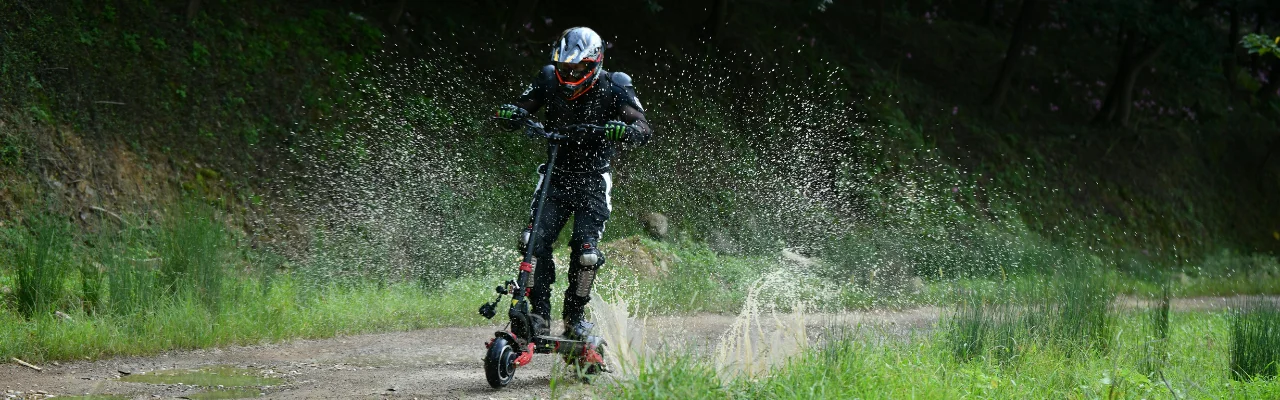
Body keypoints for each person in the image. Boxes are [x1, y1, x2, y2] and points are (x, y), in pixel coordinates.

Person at [495, 26, 652, 341]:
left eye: (577, 68)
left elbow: (643, 127)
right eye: (565, 67)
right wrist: (511, 114)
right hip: (555, 177)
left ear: (593, 64)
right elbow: (520, 110)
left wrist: (627, 131)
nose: (569, 73)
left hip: (593, 181)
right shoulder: (548, 78)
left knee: (586, 253)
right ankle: (539, 315)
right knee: (532, 242)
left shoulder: (615, 85)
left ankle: (575, 318)